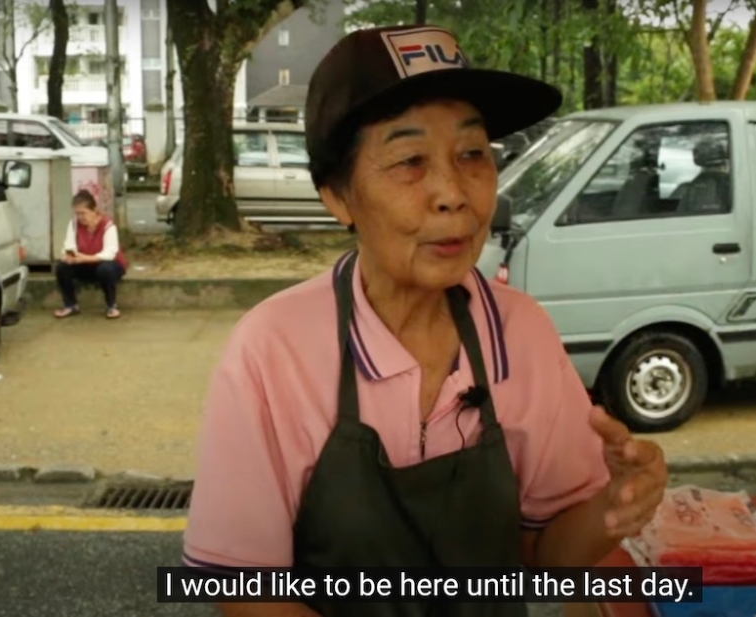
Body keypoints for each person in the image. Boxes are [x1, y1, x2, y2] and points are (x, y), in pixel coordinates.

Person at [182, 24, 668, 617]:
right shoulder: (272, 349)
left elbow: (545, 560)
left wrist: (611, 509)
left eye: (472, 155)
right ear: (337, 196)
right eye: (410, 161)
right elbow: (243, 589)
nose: (452, 193)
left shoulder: (521, 332)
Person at [53, 189, 127, 319]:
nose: (81, 217)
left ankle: (111, 305)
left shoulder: (108, 226)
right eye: (77, 214)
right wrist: (69, 256)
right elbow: (69, 245)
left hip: (108, 265)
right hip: (85, 264)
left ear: (94, 211)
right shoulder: (74, 224)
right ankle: (70, 305)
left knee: (106, 269)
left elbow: (109, 253)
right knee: (61, 267)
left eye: (83, 213)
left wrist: (86, 258)